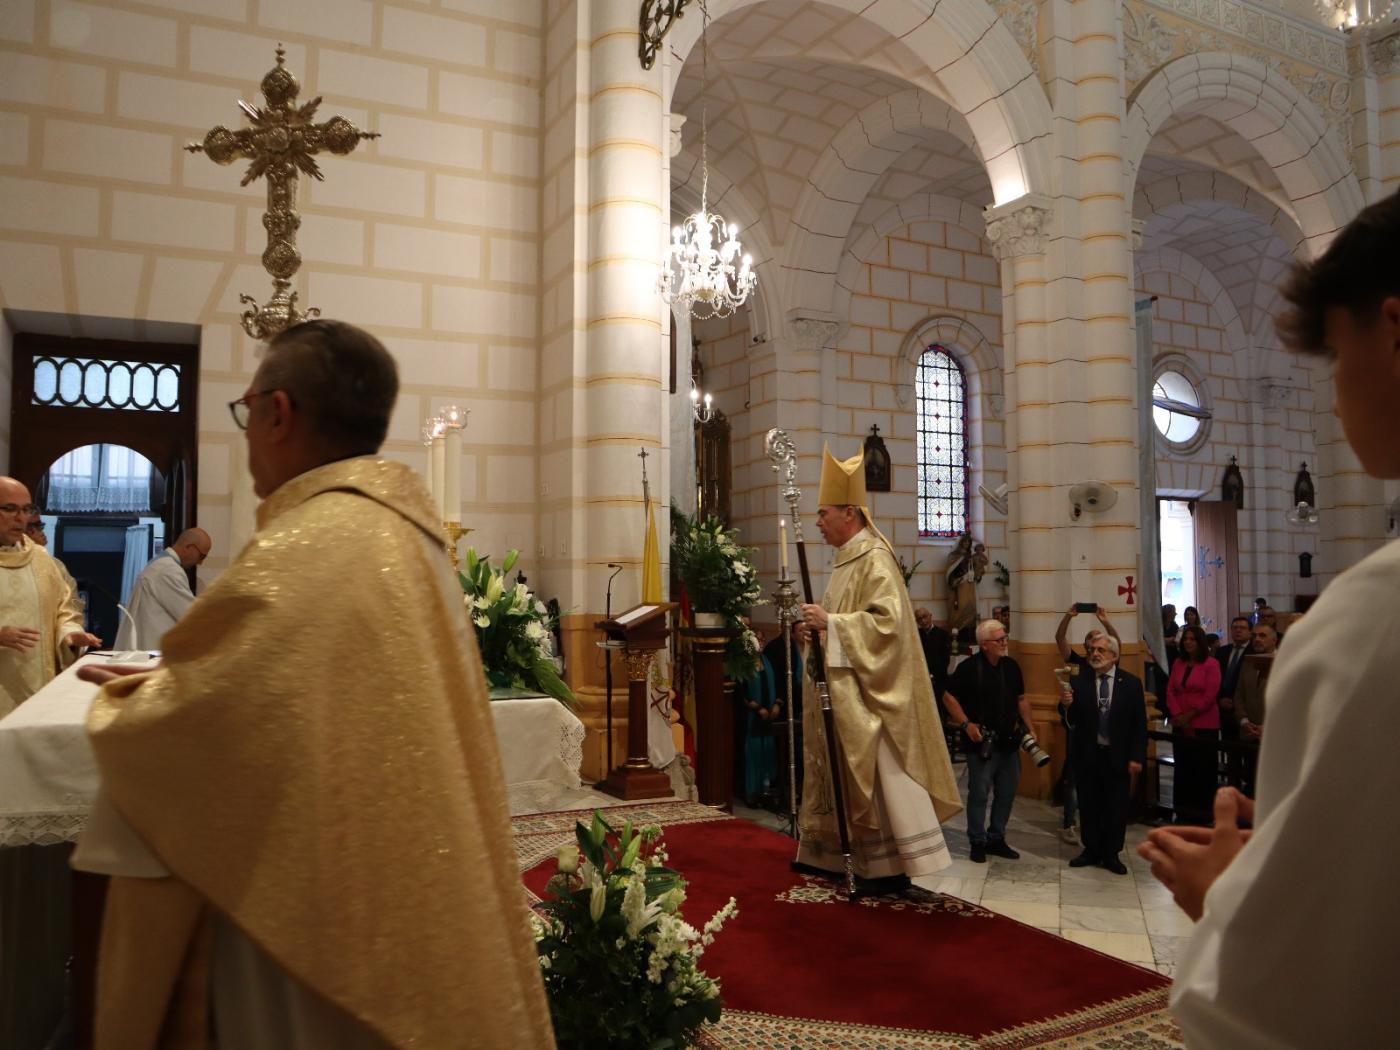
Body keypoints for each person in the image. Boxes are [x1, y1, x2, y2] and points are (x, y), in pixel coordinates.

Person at [71, 321, 554, 1048]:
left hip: (316, 926)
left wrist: (136, 699)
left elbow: (193, 731)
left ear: (278, 413)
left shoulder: (304, 545)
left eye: (245, 411)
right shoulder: (408, 539)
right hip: (405, 893)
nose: (246, 432)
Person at [1141, 191, 1400, 1046]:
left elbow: (1285, 1003)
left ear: (1393, 330)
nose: (1331, 402)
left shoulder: (1371, 625)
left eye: (1335, 357)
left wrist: (1237, 896)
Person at [794, 444, 961, 890]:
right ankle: (829, 854)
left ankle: (885, 866)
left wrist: (832, 624)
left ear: (849, 513)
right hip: (847, 688)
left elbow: (888, 628)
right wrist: (816, 633)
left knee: (880, 775)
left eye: (823, 512)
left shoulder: (875, 559)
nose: (818, 521)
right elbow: (844, 623)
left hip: (872, 704)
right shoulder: (846, 560)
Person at [0, 480, 101, 715]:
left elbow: (64, 610)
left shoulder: (41, 560)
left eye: (26, 509)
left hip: (34, 688)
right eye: (11, 508)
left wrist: (69, 634)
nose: (21, 518)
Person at [942, 618, 1033, 863]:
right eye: (1000, 639)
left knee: (1007, 792)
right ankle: (978, 840)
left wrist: (1031, 728)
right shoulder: (969, 668)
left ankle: (997, 837)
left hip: (1008, 742)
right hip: (981, 742)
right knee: (979, 793)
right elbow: (948, 697)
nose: (1005, 643)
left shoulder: (1012, 666)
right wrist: (966, 724)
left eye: (1005, 638)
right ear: (984, 644)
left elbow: (1021, 699)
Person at [1059, 634, 1146, 875]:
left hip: (1117, 754)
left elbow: (1139, 724)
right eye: (1092, 650)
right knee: (1089, 803)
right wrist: (1065, 705)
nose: (1094, 654)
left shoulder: (1130, 683)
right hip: (1089, 753)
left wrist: (1137, 757)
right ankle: (1091, 849)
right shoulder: (1080, 680)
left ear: (1114, 656)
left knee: (1115, 806)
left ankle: (1111, 853)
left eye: (1100, 650)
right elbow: (1069, 719)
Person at [114, 528, 212, 651]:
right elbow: (190, 615)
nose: (200, 562)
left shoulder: (161, 564)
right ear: (189, 547)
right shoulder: (168, 570)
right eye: (202, 556)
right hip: (152, 651)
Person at [1164, 622, 1221, 823]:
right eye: (1186, 639)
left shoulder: (1211, 664)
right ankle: (1182, 810)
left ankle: (1203, 813)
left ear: (1200, 642)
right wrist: (1178, 713)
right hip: (1180, 722)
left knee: (1202, 770)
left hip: (1203, 723)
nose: (1188, 643)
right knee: (1183, 768)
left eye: (1192, 639)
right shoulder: (1179, 663)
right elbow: (1170, 690)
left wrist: (1190, 714)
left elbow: (1210, 695)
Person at [24, 513, 81, 606]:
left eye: (39, 526)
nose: (40, 532)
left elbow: (73, 602)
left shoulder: (56, 565)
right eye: (29, 528)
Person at [1235, 622, 1277, 742]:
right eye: (1254, 636)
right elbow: (1239, 695)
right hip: (1249, 732)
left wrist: (1268, 726)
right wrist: (1244, 721)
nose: (1257, 639)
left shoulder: (1285, 662)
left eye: (1262, 636)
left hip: (1274, 735)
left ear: (1274, 640)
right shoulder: (1248, 662)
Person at [913, 606, 951, 706]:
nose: (923, 621)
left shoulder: (943, 634)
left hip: (938, 679)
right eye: (919, 619)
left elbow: (945, 659)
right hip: (922, 679)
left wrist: (932, 675)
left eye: (925, 617)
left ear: (930, 616)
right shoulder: (916, 635)